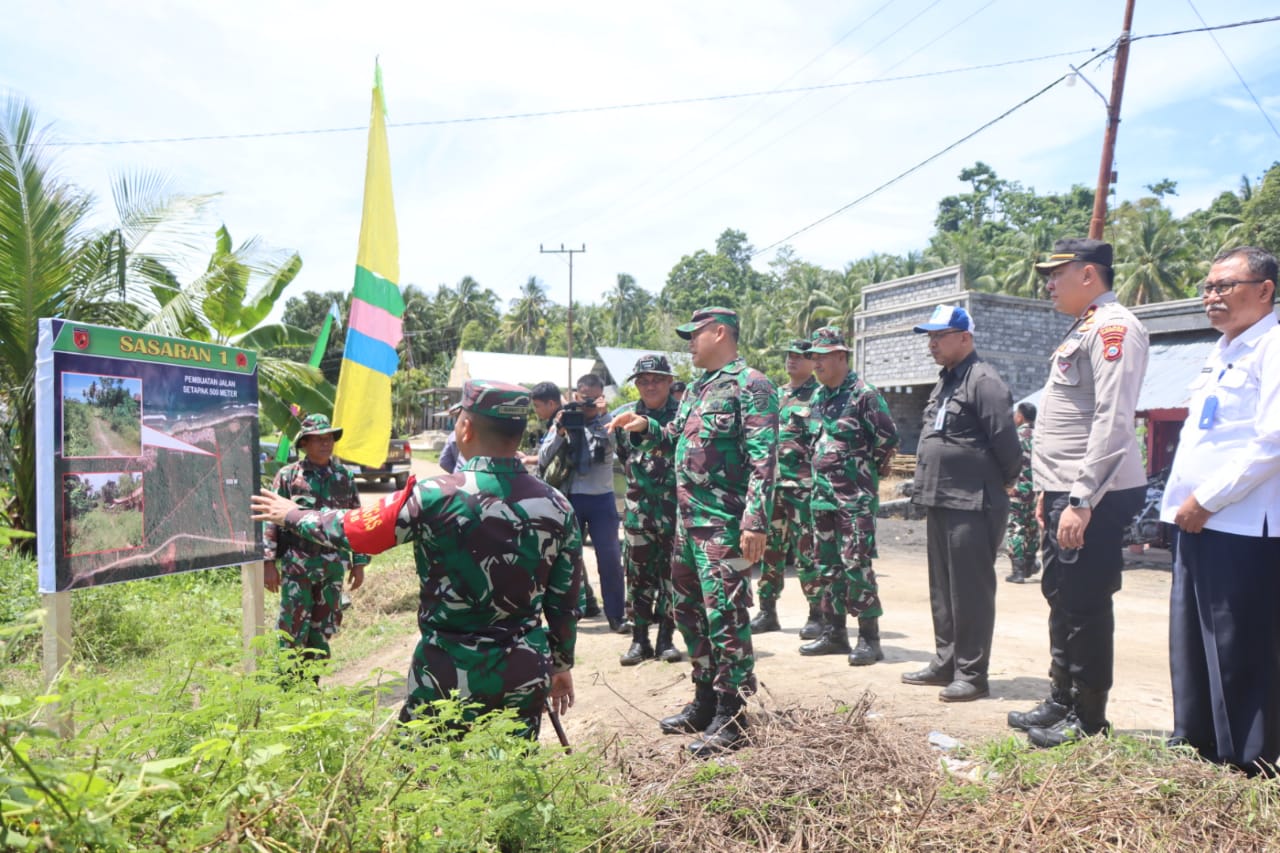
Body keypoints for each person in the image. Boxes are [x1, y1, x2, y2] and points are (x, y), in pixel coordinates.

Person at [252, 380, 582, 739]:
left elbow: (355, 530)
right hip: (524, 670)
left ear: (466, 428)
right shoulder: (558, 506)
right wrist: (562, 664)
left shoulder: (433, 496)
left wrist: (291, 514)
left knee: (425, 778)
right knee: (510, 777)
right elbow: (566, 601)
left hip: (445, 674)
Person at [610, 306, 778, 755]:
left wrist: (755, 521)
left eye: (694, 334)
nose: (688, 342)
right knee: (687, 610)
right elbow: (684, 441)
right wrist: (648, 426)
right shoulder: (698, 389)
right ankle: (705, 698)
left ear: (719, 332)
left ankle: (733, 712)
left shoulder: (752, 385)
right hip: (689, 524)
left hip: (726, 526)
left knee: (726, 614)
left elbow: (765, 459)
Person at [1009, 238, 1149, 748]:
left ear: (1088, 275)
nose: (1048, 283)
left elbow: (1113, 422)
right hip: (1066, 490)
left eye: (1056, 273)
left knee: (1086, 602)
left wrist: (1082, 499)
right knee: (1061, 596)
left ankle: (1088, 719)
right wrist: (1053, 495)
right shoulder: (1085, 326)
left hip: (1094, 494)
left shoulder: (1114, 328)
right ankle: (1062, 698)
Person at [1160, 246, 1280, 774]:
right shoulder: (1224, 349)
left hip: (1240, 524)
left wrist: (1206, 500)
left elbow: (1272, 442)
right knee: (1191, 641)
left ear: (1265, 289)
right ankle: (1196, 745)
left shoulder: (1273, 346)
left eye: (1225, 286)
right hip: (1197, 519)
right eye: (1208, 287)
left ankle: (1248, 764)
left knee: (1238, 650)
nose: (1212, 296)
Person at [903, 305, 1021, 702]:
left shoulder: (983, 380)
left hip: (973, 501)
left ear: (965, 338)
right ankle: (947, 661)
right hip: (940, 498)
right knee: (943, 588)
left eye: (940, 336)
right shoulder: (945, 382)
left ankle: (972, 674)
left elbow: (1007, 444)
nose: (932, 344)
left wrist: (1001, 482)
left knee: (970, 591)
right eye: (929, 337)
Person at [797, 326, 899, 666]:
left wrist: (865, 474)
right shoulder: (818, 397)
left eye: (823, 357)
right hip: (821, 498)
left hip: (853, 500)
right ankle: (834, 633)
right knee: (827, 568)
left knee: (856, 565)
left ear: (841, 356)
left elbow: (887, 438)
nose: (817, 364)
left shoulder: (864, 395)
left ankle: (870, 638)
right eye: (813, 358)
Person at [262, 413, 369, 676]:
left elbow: (356, 520)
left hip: (332, 568)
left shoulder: (344, 476)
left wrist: (359, 563)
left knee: (323, 630)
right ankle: (287, 688)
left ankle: (311, 685)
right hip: (298, 567)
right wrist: (268, 562)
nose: (326, 444)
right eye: (319, 439)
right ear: (305, 443)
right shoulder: (288, 477)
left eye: (329, 438)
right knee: (292, 630)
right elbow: (271, 520)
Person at [540, 373, 627, 633]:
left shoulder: (610, 421)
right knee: (567, 562)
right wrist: (559, 431)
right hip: (572, 499)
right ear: (576, 395)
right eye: (583, 398)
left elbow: (623, 450)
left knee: (610, 560)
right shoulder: (565, 418)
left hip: (602, 500)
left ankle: (617, 616)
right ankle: (569, 614)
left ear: (601, 396)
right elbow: (543, 458)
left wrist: (603, 417)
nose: (587, 403)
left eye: (593, 398)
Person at [614, 354, 683, 666]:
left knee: (672, 577)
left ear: (669, 382)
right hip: (637, 513)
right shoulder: (624, 421)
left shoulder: (683, 419)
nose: (650, 385)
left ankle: (666, 638)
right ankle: (639, 640)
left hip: (674, 512)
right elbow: (623, 458)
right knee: (637, 576)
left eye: (657, 379)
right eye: (644, 380)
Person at [751, 338, 820, 636]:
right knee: (770, 551)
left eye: (800, 356)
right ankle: (767, 611)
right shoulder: (775, 396)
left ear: (812, 361)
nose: (792, 360)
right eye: (789, 355)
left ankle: (818, 614)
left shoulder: (818, 396)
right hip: (772, 486)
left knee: (807, 552)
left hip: (803, 487)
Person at [527, 380, 601, 619]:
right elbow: (544, 458)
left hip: (569, 497)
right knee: (571, 551)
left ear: (551, 403)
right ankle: (588, 601)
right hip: (562, 495)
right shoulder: (556, 422)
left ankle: (581, 602)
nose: (536, 412)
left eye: (538, 406)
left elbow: (546, 457)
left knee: (568, 553)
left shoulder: (573, 422)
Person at [1005, 402, 1040, 584]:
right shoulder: (1042, 436)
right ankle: (1029, 565)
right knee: (1033, 527)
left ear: (1020, 416)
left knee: (1016, 528)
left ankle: (1018, 571)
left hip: (1017, 490)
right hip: (1037, 491)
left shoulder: (1014, 437)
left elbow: (1006, 461)